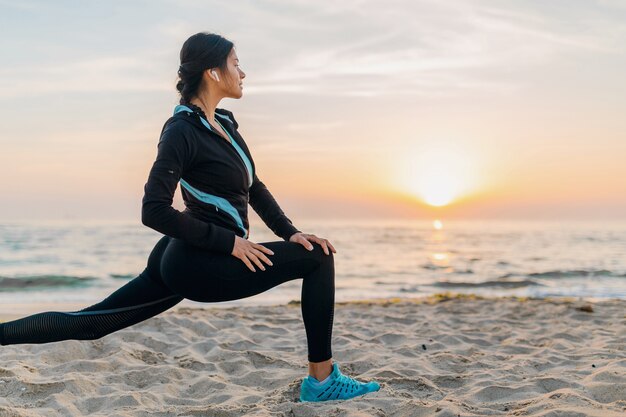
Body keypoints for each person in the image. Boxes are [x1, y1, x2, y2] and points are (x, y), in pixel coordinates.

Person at [0, 32, 380, 402]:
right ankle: (322, 381)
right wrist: (230, 243)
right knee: (319, 260)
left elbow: (254, 186)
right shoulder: (181, 130)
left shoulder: (226, 124)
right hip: (199, 260)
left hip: (187, 254)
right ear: (213, 73)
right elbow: (154, 210)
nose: (243, 72)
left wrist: (290, 233)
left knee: (93, 323)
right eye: (236, 63)